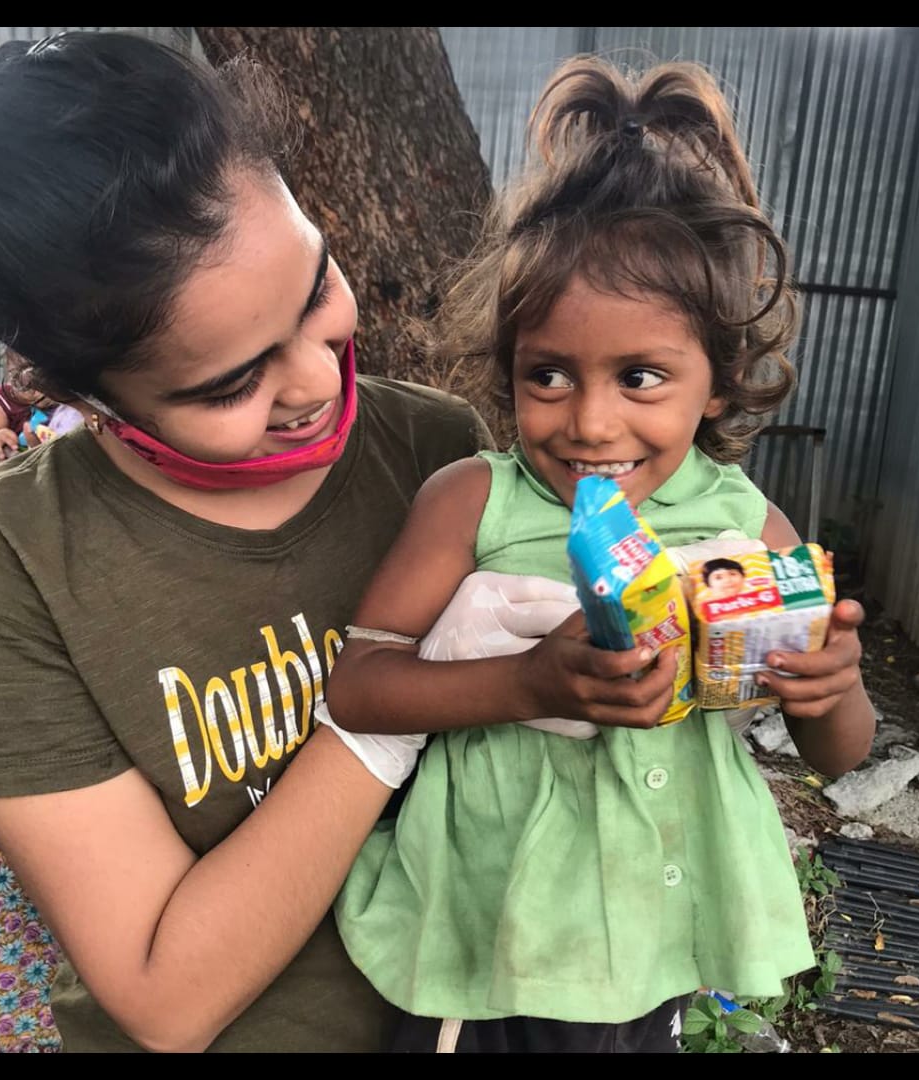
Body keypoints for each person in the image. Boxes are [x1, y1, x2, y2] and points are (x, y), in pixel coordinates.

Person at [0, 30, 568, 1053]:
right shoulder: (5, 566)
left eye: (318, 287)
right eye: (232, 384)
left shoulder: (437, 454)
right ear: (76, 393)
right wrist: (387, 712)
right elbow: (164, 997)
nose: (320, 382)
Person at [322, 56, 877, 1053]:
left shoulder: (747, 527)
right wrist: (528, 681)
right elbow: (361, 688)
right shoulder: (475, 502)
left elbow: (838, 755)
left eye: (640, 375)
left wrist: (829, 689)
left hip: (651, 943)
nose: (589, 422)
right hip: (487, 943)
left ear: (718, 381)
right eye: (548, 374)